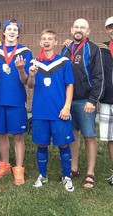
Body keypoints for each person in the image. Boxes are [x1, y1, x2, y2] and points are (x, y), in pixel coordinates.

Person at [27, 29, 75, 192]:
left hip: (59, 111)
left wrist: (67, 106)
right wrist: (32, 75)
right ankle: (42, 175)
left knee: (63, 144)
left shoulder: (63, 61)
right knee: (41, 144)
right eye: (43, 39)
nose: (46, 41)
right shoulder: (34, 63)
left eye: (50, 39)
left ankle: (67, 176)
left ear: (55, 42)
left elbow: (69, 85)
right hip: (40, 111)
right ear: (40, 43)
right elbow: (30, 85)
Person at [61, 18, 104, 188]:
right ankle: (73, 168)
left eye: (82, 28)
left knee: (89, 136)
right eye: (76, 27)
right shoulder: (65, 48)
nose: (79, 30)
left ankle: (90, 173)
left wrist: (93, 100)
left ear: (88, 31)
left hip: (86, 101)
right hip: (68, 102)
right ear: (72, 29)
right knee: (73, 135)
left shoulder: (93, 49)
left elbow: (98, 76)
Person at [0, 19, 33, 185]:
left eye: (15, 29)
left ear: (18, 33)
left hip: (16, 99)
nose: (11, 32)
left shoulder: (25, 52)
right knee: (1, 134)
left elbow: (26, 81)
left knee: (18, 135)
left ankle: (19, 169)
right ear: (4, 32)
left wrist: (22, 70)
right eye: (9, 29)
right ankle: (4, 165)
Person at [99, 16, 113, 186]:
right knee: (111, 138)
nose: (112, 30)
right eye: (110, 27)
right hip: (107, 100)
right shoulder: (102, 48)